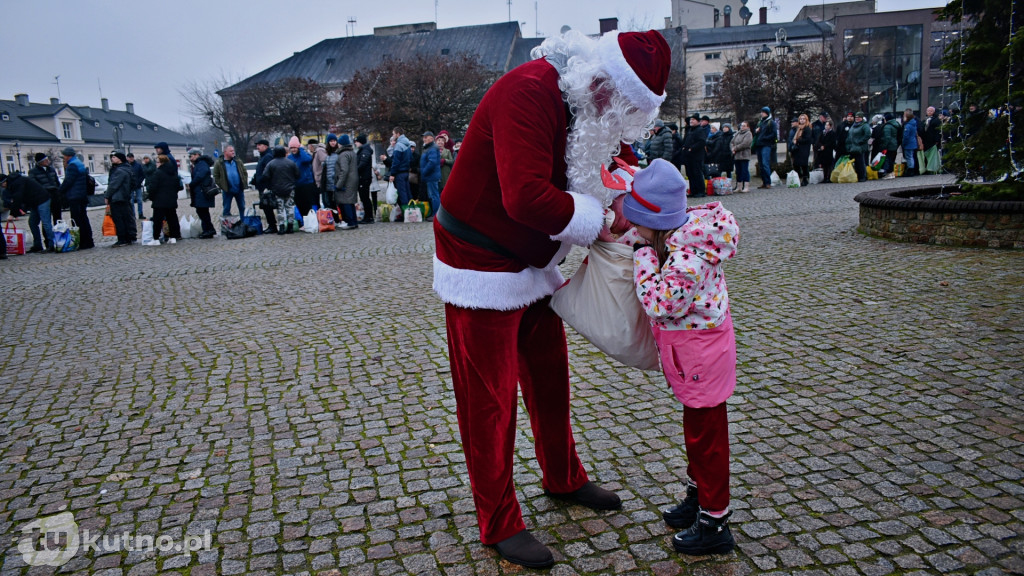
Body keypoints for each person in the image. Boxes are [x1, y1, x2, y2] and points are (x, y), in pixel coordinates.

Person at [432, 28, 670, 568]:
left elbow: (616, 157)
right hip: (480, 255)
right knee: (489, 398)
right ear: (600, 78)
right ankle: (497, 520)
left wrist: (642, 195)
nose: (619, 116)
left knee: (549, 373)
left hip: (535, 259)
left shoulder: (590, 100)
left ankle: (563, 477)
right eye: (621, 102)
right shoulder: (528, 91)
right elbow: (525, 195)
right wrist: (605, 219)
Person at [618, 158, 740, 557]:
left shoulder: (688, 255)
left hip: (700, 357)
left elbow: (659, 301)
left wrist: (642, 255)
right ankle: (698, 497)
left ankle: (714, 522)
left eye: (639, 222)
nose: (635, 230)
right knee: (697, 435)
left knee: (707, 440)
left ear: (657, 220)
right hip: (693, 355)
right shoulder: (679, 238)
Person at [1, 171, 53, 253]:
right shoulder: (13, 184)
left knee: (46, 223)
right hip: (35, 202)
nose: (2, 187)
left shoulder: (17, 183)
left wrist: (12, 214)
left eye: (2, 184)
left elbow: (18, 198)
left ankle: (52, 245)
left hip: (42, 199)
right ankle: (37, 245)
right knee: (32, 222)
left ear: (5, 181)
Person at [58, 147, 93, 250]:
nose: (64, 158)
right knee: (84, 218)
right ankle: (88, 240)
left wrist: (60, 191)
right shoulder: (79, 163)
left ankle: (83, 242)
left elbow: (68, 181)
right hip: (81, 195)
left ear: (68, 156)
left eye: (64, 156)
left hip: (75, 196)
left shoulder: (72, 166)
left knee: (77, 220)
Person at [147, 154, 182, 244]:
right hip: (171, 200)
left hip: (159, 200)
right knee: (172, 219)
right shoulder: (173, 172)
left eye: (157, 162)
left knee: (157, 220)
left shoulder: (158, 173)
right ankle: (173, 237)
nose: (156, 164)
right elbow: (178, 186)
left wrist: (151, 197)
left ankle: (156, 239)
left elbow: (153, 187)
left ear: (162, 163)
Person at [264, 146, 299, 234]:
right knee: (289, 207)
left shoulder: (271, 164)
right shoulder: (291, 163)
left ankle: (281, 227)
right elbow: (298, 174)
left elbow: (265, 176)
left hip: (277, 189)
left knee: (280, 209)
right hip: (290, 188)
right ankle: (290, 226)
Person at [106, 150, 136, 247]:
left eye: (114, 157)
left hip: (117, 197)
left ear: (120, 159)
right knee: (126, 217)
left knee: (119, 219)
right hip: (124, 196)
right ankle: (129, 237)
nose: (112, 159)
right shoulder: (127, 168)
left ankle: (123, 238)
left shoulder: (120, 171)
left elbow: (113, 185)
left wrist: (107, 196)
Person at [187, 149, 217, 238]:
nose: (190, 158)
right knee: (202, 211)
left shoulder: (202, 164)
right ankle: (208, 229)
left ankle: (208, 230)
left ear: (197, 155)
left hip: (202, 191)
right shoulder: (199, 164)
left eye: (191, 155)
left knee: (203, 211)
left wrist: (191, 184)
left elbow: (200, 175)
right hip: (200, 191)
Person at [213, 145, 248, 217]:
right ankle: (227, 225)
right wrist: (222, 185)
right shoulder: (219, 163)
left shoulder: (238, 161)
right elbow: (216, 176)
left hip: (239, 189)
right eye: (231, 151)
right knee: (226, 209)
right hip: (227, 190)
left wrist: (243, 182)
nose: (233, 152)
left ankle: (243, 223)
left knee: (242, 207)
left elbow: (244, 172)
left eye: (233, 151)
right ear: (225, 152)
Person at [333, 134, 359, 230]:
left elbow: (344, 170)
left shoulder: (343, 154)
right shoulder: (352, 153)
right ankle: (354, 221)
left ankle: (350, 222)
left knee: (346, 201)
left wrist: (339, 184)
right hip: (352, 180)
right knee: (351, 201)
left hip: (346, 181)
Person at [251, 139, 277, 232]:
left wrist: (261, 179)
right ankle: (271, 225)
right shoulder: (263, 156)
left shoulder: (268, 157)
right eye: (257, 145)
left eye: (259, 145)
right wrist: (254, 180)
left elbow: (268, 172)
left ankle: (272, 226)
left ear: (265, 146)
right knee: (266, 207)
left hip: (267, 187)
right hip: (262, 185)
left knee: (268, 206)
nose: (257, 147)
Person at [30, 153, 62, 225]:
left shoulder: (51, 170)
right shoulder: (33, 172)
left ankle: (59, 233)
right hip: (44, 197)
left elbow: (57, 181)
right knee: (46, 219)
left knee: (58, 217)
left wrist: (58, 191)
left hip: (55, 195)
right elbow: (35, 185)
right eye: (45, 160)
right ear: (40, 162)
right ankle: (48, 235)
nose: (48, 161)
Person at [287, 136, 316, 216]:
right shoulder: (289, 158)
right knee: (299, 204)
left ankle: (311, 221)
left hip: (306, 184)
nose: (293, 149)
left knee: (308, 204)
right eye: (291, 148)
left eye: (295, 147)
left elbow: (307, 159)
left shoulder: (304, 155)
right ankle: (305, 221)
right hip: (296, 184)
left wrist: (301, 150)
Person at [682, 114, 707, 197]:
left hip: (696, 156)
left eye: (693, 119)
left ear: (698, 121)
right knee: (690, 174)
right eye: (691, 120)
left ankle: (701, 191)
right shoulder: (690, 130)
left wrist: (692, 148)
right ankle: (693, 190)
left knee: (697, 173)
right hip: (688, 156)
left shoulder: (700, 130)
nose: (691, 121)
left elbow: (702, 142)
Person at [388, 127, 413, 211]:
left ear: (398, 134)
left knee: (402, 193)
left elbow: (396, 161)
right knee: (408, 192)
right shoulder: (408, 143)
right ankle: (412, 210)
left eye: (393, 134)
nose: (393, 135)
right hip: (406, 171)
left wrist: (392, 173)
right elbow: (410, 158)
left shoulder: (398, 145)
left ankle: (406, 212)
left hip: (400, 172)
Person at [753, 107, 777, 189]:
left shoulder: (771, 122)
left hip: (766, 145)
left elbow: (774, 134)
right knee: (761, 165)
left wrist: (765, 138)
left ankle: (768, 182)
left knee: (765, 163)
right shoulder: (760, 122)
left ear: (767, 113)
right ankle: (764, 181)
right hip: (759, 145)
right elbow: (755, 132)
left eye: (763, 112)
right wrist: (756, 131)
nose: (761, 113)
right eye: (761, 112)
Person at [419, 131, 441, 220]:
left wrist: (424, 171)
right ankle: (434, 213)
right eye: (423, 137)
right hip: (430, 176)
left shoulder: (432, 148)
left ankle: (436, 214)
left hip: (431, 176)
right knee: (432, 195)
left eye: (426, 137)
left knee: (434, 195)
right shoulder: (428, 147)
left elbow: (432, 162)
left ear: (431, 138)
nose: (424, 139)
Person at [355, 134, 375, 224]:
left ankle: (369, 217)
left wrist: (355, 169)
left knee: (365, 198)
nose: (355, 144)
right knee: (364, 197)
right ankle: (368, 216)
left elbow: (362, 164)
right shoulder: (363, 150)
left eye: (356, 142)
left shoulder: (365, 151)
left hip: (364, 177)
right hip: (363, 177)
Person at [846, 112, 871, 182]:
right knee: (856, 163)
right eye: (856, 117)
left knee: (861, 162)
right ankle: (858, 176)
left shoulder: (865, 125)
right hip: (853, 147)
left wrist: (860, 141)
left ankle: (863, 176)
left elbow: (867, 135)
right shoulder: (853, 125)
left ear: (862, 118)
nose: (857, 119)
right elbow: (849, 135)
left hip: (860, 147)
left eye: (858, 117)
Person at [730, 121, 753, 193]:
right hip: (736, 155)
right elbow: (731, 142)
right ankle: (739, 186)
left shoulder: (748, 133)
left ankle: (746, 186)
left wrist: (735, 148)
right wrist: (732, 149)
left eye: (744, 126)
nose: (742, 127)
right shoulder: (737, 133)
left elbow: (745, 144)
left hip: (744, 155)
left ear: (747, 127)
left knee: (744, 170)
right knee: (738, 171)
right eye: (741, 126)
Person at [791, 114, 813, 186]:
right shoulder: (799, 128)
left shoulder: (807, 128)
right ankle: (800, 177)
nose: (802, 120)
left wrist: (798, 140)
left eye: (803, 119)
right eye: (801, 119)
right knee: (796, 163)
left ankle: (805, 178)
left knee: (804, 164)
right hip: (798, 149)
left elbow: (807, 139)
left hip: (804, 149)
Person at [880, 113, 901, 179]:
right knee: (892, 159)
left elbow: (887, 137)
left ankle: (888, 173)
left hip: (889, 145)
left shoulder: (887, 126)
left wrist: (884, 145)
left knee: (887, 159)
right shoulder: (897, 124)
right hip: (895, 144)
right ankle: (892, 173)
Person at [127, 153, 146, 220]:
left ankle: (140, 214)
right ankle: (133, 215)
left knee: (139, 200)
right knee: (131, 201)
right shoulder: (126, 166)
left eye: (131, 157)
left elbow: (142, 175)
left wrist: (139, 182)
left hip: (137, 185)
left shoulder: (138, 165)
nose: (130, 159)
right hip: (130, 186)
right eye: (129, 157)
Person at [902, 109, 920, 177]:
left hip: (908, 143)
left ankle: (910, 170)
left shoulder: (908, 126)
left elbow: (906, 136)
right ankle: (912, 169)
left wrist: (903, 143)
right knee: (911, 156)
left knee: (909, 157)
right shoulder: (914, 124)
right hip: (913, 142)